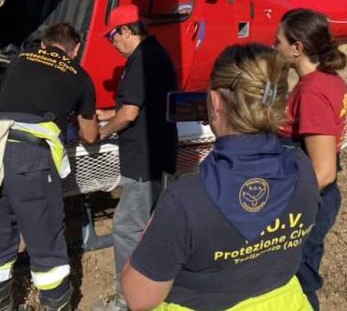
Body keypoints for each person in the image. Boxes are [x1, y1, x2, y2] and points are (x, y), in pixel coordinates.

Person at [121, 43, 320, 311]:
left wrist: (154, 227)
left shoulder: (185, 200)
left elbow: (138, 298)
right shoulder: (304, 169)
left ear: (215, 101)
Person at [0, 22, 99, 311]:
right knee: (45, 239)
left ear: (44, 44)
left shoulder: (19, 61)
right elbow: (90, 135)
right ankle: (55, 305)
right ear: (75, 50)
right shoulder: (79, 75)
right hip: (30, 157)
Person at [92, 5, 178, 311]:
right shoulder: (158, 54)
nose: (113, 44)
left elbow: (129, 114)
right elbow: (138, 106)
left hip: (143, 160)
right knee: (154, 228)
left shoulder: (141, 60)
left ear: (126, 31)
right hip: (161, 154)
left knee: (128, 229)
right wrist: (103, 114)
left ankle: (126, 301)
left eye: (112, 37)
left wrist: (100, 132)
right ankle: (158, 293)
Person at [274, 9, 347, 311]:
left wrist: (275, 201)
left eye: (278, 41)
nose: (274, 47)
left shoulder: (313, 90)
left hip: (307, 204)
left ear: (297, 48)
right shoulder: (328, 80)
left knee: (298, 282)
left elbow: (323, 172)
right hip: (316, 200)